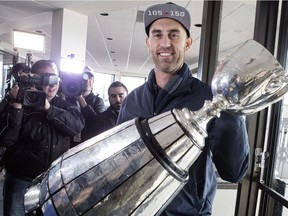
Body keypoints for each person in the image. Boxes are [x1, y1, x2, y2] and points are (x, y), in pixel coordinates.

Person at [117, 2, 250, 216]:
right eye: (158, 35)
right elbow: (122, 159)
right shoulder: (132, 100)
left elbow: (233, 172)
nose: (165, 43)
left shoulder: (209, 98)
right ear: (148, 42)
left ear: (187, 43)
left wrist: (233, 108)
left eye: (174, 35)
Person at [0, 60, 85, 216]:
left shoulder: (65, 105)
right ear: (33, 79)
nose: (50, 85)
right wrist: (16, 108)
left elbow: (76, 127)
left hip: (53, 181)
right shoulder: (16, 102)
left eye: (54, 79)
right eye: (44, 79)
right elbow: (6, 139)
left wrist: (48, 108)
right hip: (21, 178)